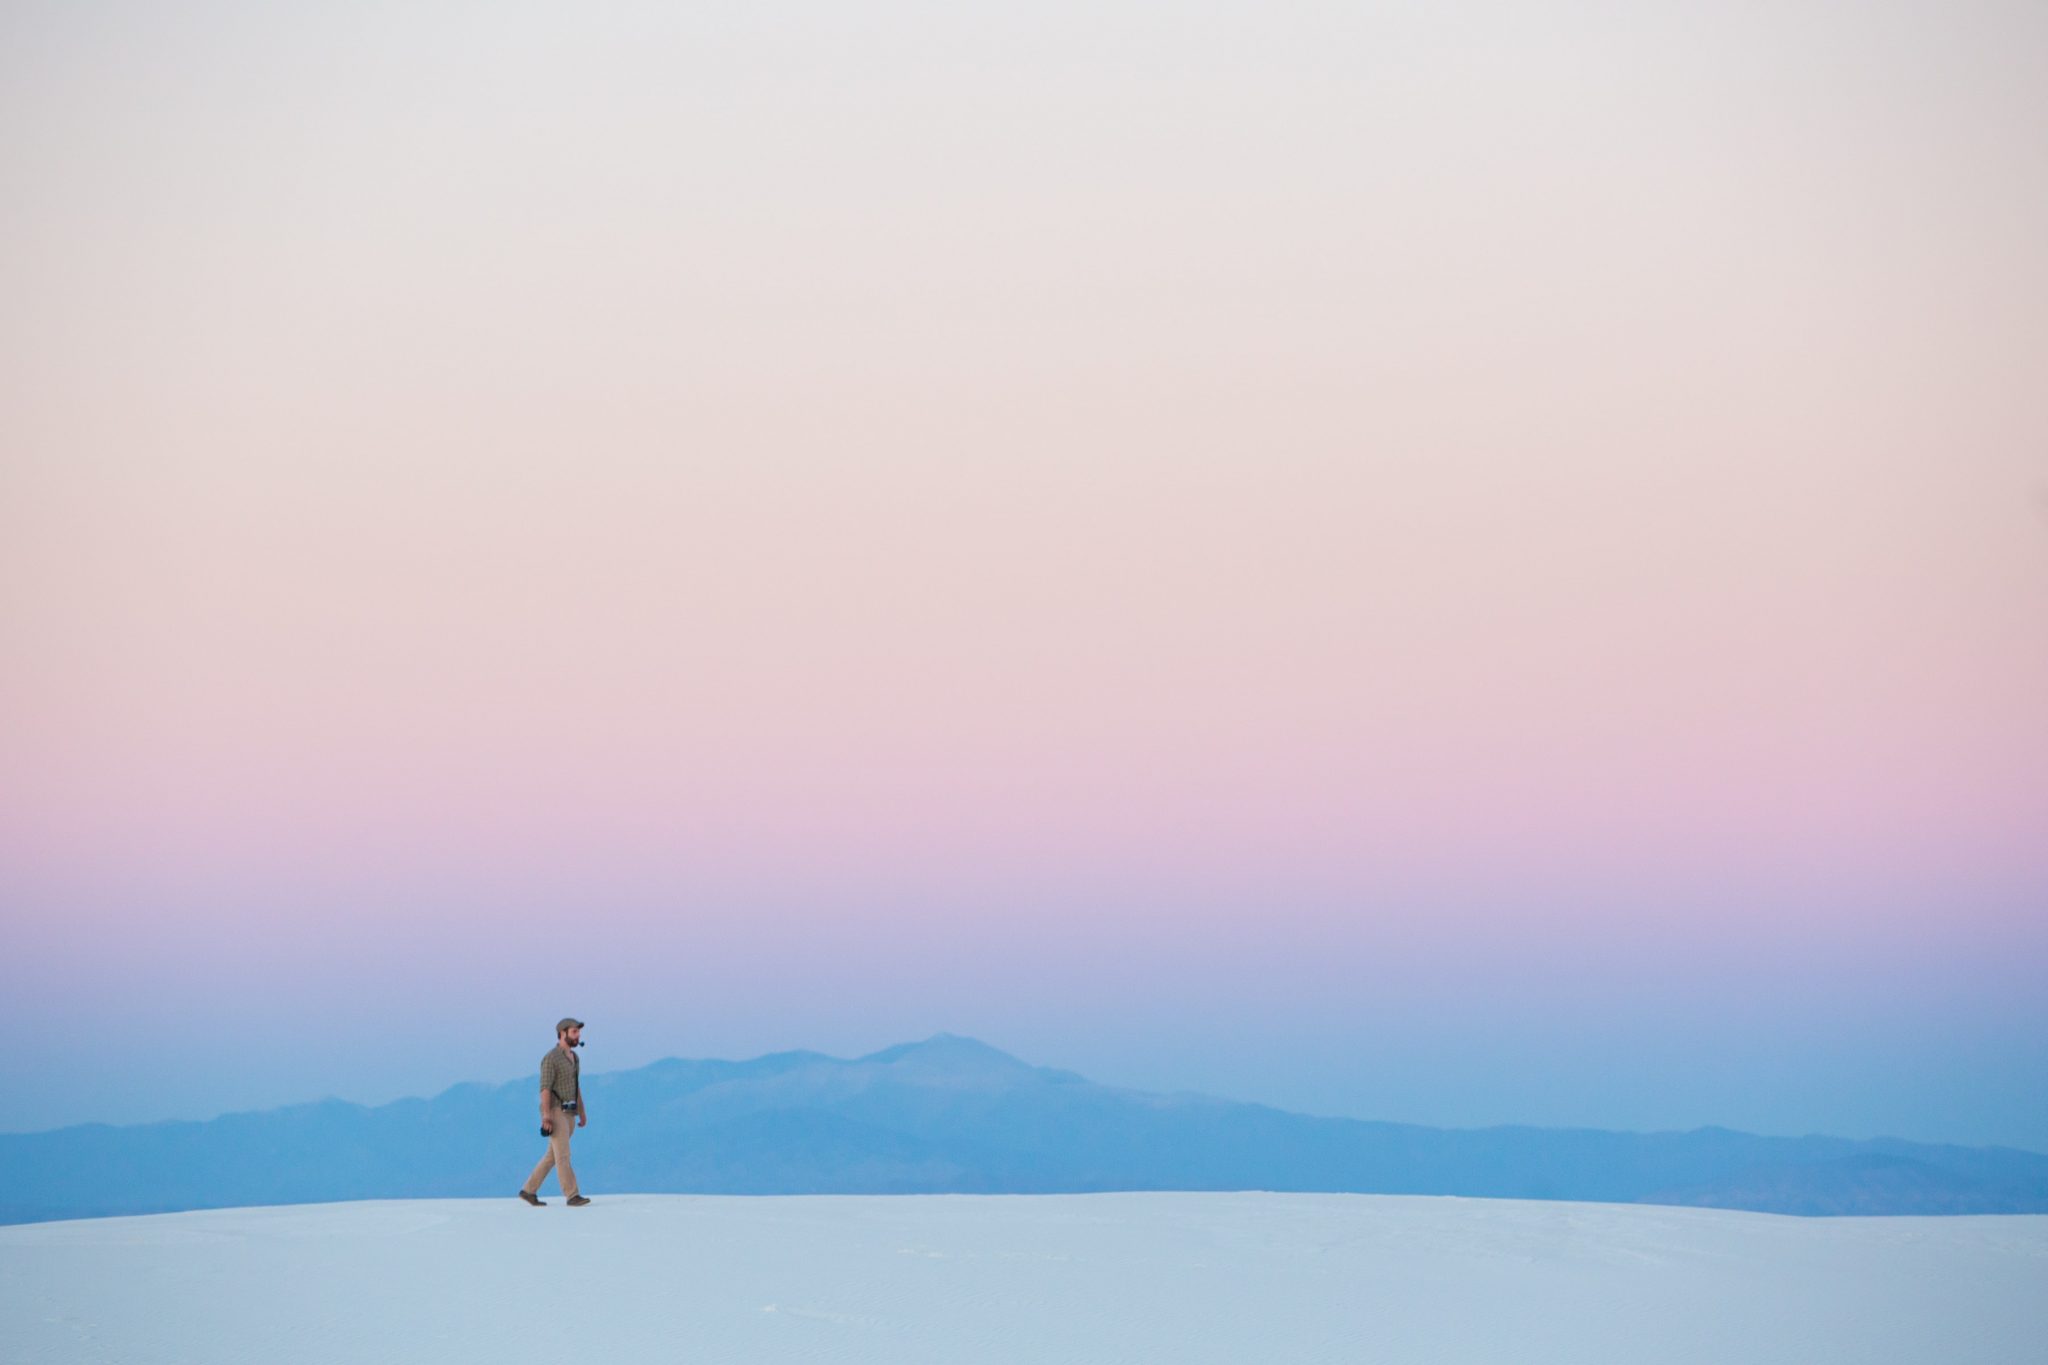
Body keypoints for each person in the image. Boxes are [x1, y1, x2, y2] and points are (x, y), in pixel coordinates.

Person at [518, 1017, 591, 1207]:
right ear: (562, 1034)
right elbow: (545, 1089)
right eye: (574, 1032)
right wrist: (547, 1116)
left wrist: (582, 1112)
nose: (578, 1035)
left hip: (570, 1113)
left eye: (578, 1032)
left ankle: (528, 1190)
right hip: (555, 1111)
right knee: (563, 1156)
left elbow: (577, 1087)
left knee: (552, 1156)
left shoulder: (574, 1058)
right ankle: (572, 1195)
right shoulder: (551, 1058)